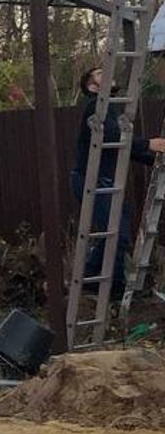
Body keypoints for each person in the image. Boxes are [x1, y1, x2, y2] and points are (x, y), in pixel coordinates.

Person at [71, 66, 165, 293]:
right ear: (92, 86)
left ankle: (108, 284)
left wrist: (153, 160)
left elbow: (123, 147)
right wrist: (148, 144)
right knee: (117, 235)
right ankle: (96, 281)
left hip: (105, 183)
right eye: (100, 74)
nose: (108, 73)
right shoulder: (95, 105)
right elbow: (113, 135)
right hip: (90, 181)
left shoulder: (110, 108)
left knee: (117, 235)